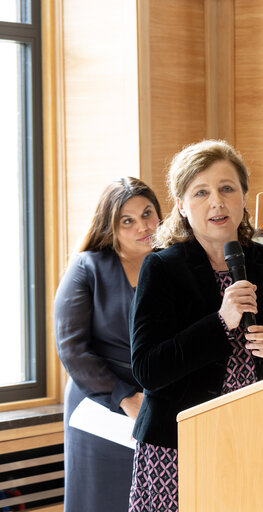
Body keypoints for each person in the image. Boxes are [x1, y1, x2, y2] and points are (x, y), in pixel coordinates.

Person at [128, 140, 263, 511]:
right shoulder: (162, 269)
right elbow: (148, 369)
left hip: (261, 439)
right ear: (181, 205)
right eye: (201, 192)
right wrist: (219, 322)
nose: (217, 201)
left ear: (244, 197)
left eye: (227, 189)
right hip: (179, 447)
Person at [54, 177, 162, 512]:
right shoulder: (87, 268)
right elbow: (72, 347)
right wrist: (125, 398)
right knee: (101, 500)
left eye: (147, 213)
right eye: (127, 221)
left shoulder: (173, 263)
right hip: (100, 406)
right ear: (110, 226)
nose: (143, 226)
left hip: (157, 406)